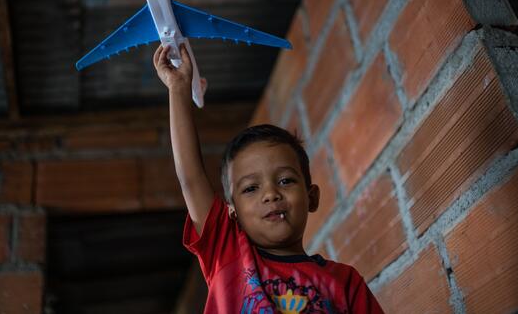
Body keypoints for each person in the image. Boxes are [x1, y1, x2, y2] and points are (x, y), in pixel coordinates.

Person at [153, 44, 384, 313]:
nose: (271, 194)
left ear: (312, 197)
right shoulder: (228, 253)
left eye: (285, 181)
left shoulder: (345, 281)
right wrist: (179, 88)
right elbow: (191, 179)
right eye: (250, 188)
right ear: (232, 213)